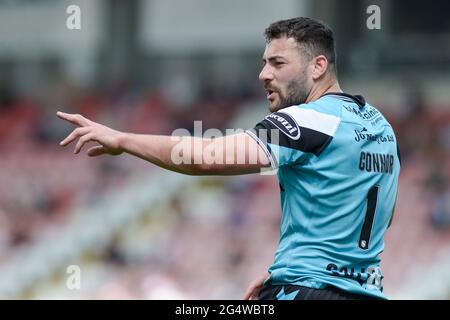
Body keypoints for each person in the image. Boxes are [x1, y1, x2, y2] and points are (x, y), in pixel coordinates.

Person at [57, 17, 400, 300]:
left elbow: (206, 158)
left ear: (318, 66)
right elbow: (379, 214)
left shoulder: (308, 120)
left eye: (277, 63)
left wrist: (122, 139)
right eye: (264, 63)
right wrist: (282, 268)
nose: (263, 74)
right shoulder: (379, 125)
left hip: (306, 292)